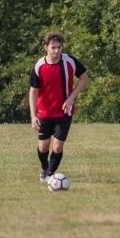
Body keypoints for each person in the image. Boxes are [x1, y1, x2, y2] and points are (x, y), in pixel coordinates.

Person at [29, 31, 89, 183]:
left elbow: (84, 78)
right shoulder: (39, 66)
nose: (56, 51)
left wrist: (71, 97)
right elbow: (33, 91)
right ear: (46, 48)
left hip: (64, 112)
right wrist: (34, 116)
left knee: (57, 147)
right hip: (44, 112)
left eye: (59, 47)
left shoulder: (70, 61)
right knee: (43, 147)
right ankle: (44, 167)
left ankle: (50, 175)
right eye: (53, 47)